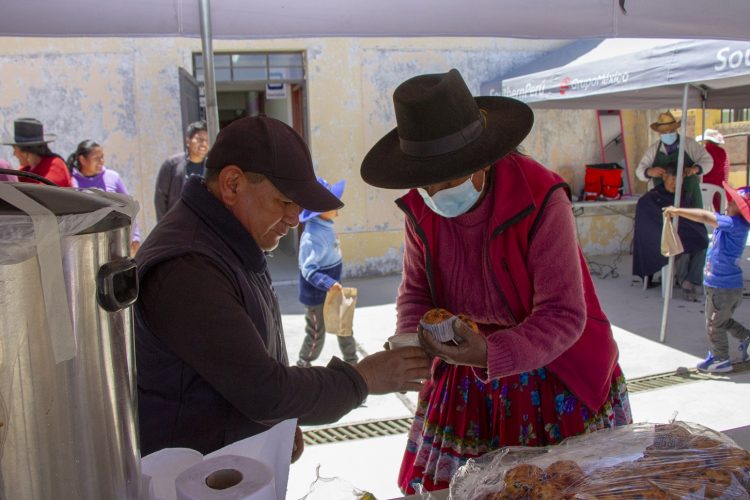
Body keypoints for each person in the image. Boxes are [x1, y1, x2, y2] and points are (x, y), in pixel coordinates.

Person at [360, 69, 632, 494]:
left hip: (553, 371)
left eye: (449, 177)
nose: (436, 192)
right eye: (427, 180)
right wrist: (412, 343)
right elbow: (417, 292)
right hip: (467, 377)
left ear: (483, 158)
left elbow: (562, 315)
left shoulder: (541, 198)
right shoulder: (421, 207)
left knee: (550, 488)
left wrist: (489, 352)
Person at [134, 115, 430, 458]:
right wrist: (363, 378)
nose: (293, 219)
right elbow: (263, 391)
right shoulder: (188, 266)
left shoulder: (231, 241)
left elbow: (252, 364)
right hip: (192, 474)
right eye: (285, 202)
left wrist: (281, 420)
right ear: (232, 184)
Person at [664, 182, 750, 373]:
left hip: (722, 286)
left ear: (742, 210)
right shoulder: (734, 223)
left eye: (734, 202)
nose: (728, 203)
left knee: (714, 324)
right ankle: (747, 338)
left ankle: (720, 359)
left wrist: (677, 211)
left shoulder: (733, 223)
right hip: (724, 286)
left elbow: (704, 216)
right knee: (721, 320)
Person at [296, 176, 359, 367]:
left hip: (334, 291)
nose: (338, 206)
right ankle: (304, 363)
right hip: (317, 297)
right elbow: (308, 270)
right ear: (320, 209)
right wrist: (328, 283)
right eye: (333, 204)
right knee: (316, 333)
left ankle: (352, 363)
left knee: (343, 326)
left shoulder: (326, 226)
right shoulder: (312, 236)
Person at [632, 162, 709, 300]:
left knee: (702, 241)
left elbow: (689, 219)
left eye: (679, 180)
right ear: (664, 177)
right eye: (673, 179)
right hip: (660, 236)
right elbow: (647, 224)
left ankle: (691, 280)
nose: (675, 183)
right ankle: (684, 281)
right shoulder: (652, 197)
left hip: (682, 232)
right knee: (682, 245)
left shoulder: (682, 195)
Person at [69, 140, 142, 255]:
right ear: (82, 160)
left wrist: (135, 236)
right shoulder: (72, 182)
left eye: (102, 157)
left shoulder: (113, 177)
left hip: (115, 242)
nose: (101, 161)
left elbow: (130, 207)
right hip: (84, 246)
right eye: (96, 158)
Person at [636, 110, 712, 209]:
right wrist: (649, 171)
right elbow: (639, 171)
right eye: (664, 132)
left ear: (676, 130)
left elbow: (708, 161)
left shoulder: (689, 144)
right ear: (659, 133)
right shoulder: (653, 150)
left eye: (671, 131)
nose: (668, 134)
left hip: (689, 193)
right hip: (661, 196)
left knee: (692, 217)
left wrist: (695, 169)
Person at [154, 120, 209, 221]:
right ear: (188, 141)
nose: (204, 144)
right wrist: (164, 226)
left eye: (207, 141)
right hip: (177, 223)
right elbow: (160, 198)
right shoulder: (172, 164)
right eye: (200, 139)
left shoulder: (211, 167)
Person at [1, 117, 71, 187]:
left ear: (26, 152)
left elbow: (44, 190)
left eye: (15, 149)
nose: (14, 154)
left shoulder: (55, 167)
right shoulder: (26, 170)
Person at [696, 128, 730, 211]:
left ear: (706, 140)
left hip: (702, 185)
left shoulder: (702, 151)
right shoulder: (722, 152)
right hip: (718, 186)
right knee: (719, 208)